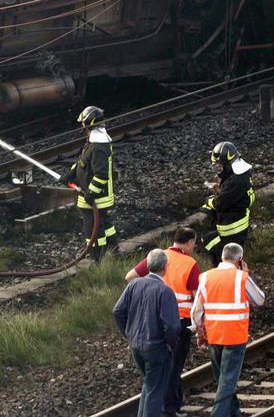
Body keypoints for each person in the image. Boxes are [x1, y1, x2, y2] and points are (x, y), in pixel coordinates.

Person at [126, 227, 201, 417]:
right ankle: (170, 408)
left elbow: (130, 277)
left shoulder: (158, 256)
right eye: (194, 243)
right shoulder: (190, 263)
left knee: (158, 374)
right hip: (179, 322)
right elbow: (197, 296)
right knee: (173, 367)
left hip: (153, 320)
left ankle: (163, 407)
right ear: (190, 242)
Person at [192, 243, 265, 417]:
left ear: (223, 257)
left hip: (214, 336)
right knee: (228, 382)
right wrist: (246, 274)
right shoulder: (241, 277)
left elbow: (196, 311)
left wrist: (200, 332)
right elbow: (259, 299)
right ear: (239, 259)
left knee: (224, 381)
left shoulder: (205, 277)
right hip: (234, 337)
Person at [113, 249, 181, 417]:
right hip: (157, 349)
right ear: (165, 267)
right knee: (155, 392)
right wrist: (170, 345)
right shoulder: (164, 291)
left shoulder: (134, 284)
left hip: (137, 347)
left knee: (150, 385)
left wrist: (129, 335)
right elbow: (172, 326)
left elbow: (118, 311)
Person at [59, 105, 117, 259]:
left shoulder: (98, 146)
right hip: (95, 199)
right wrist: (71, 174)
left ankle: (97, 260)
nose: (81, 127)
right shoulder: (94, 141)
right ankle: (114, 251)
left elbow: (101, 175)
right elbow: (83, 164)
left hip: (96, 199)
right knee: (105, 226)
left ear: (88, 123)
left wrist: (91, 193)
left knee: (93, 230)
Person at [200, 142, 255, 265]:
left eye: (220, 164)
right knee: (235, 258)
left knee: (221, 255)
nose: (219, 167)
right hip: (239, 224)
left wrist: (209, 201)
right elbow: (234, 194)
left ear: (227, 162)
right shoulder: (242, 173)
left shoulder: (236, 180)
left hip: (231, 229)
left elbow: (220, 203)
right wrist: (221, 189)